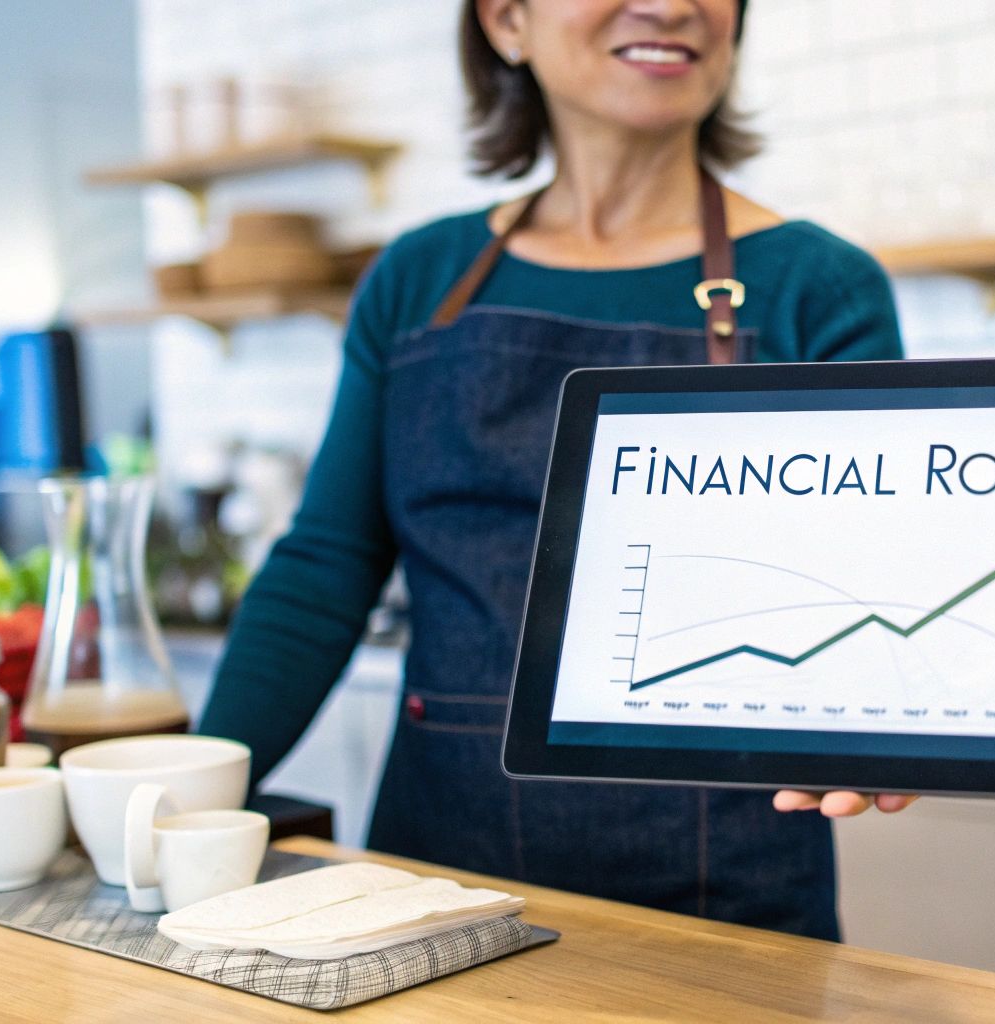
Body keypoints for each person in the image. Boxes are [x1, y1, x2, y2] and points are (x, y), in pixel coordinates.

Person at [198, 0, 914, 942]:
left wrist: (889, 711)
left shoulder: (817, 288)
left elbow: (877, 588)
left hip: (721, 908)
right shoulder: (418, 279)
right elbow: (323, 570)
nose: (671, 6)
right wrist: (183, 796)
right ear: (507, 22)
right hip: (429, 889)